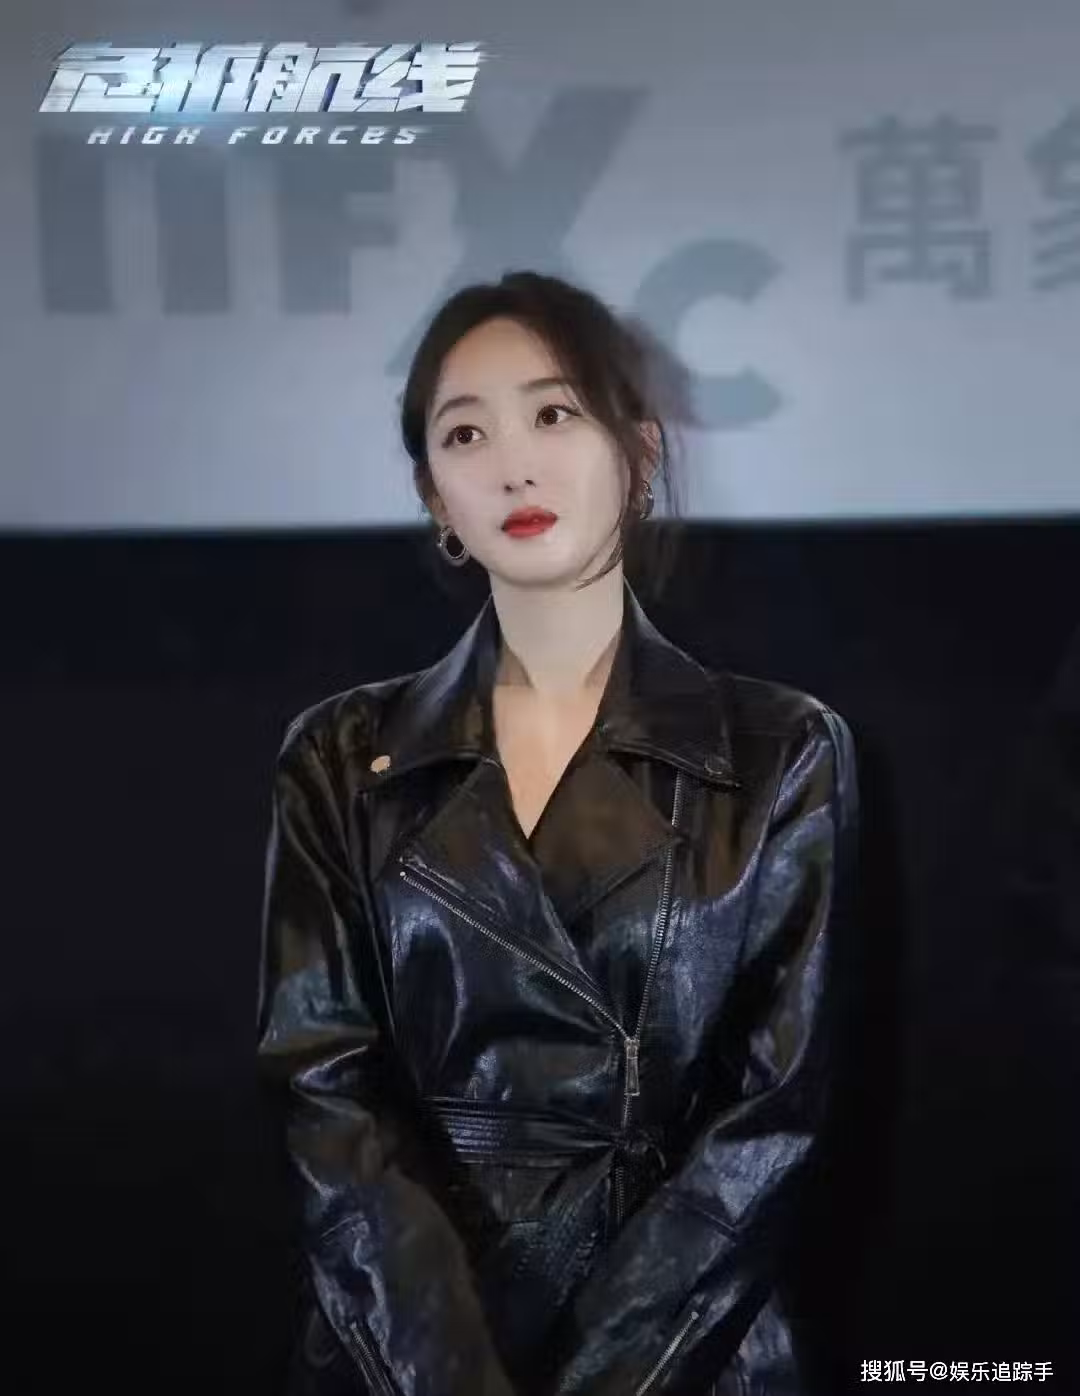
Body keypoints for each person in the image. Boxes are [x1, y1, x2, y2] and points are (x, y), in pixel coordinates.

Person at [256, 270, 859, 1396]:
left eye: (554, 413)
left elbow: (773, 1117)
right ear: (436, 499)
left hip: (682, 1349)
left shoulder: (779, 750)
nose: (513, 465)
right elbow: (323, 1093)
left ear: (639, 452)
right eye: (465, 433)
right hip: (409, 1346)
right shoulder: (341, 756)